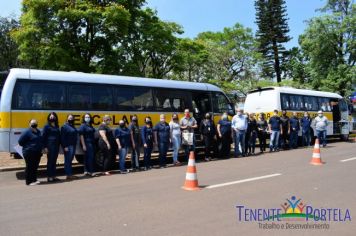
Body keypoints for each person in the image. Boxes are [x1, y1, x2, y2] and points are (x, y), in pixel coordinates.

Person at [18, 119, 43, 186]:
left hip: (37, 152)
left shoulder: (38, 131)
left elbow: (40, 140)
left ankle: (34, 179)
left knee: (35, 166)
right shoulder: (27, 132)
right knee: (29, 167)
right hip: (29, 152)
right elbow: (20, 142)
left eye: (35, 123)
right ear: (29, 124)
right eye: (32, 123)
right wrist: (28, 146)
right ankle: (28, 182)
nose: (34, 124)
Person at [42, 112, 61, 182]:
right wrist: (45, 147)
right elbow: (43, 137)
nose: (52, 118)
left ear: (55, 118)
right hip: (50, 146)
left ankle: (54, 176)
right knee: (50, 161)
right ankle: (49, 177)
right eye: (51, 117)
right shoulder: (46, 126)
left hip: (56, 146)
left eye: (53, 117)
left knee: (54, 161)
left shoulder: (56, 126)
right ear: (49, 118)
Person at [61, 114, 78, 180]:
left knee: (70, 160)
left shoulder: (72, 126)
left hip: (73, 145)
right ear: (67, 119)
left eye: (72, 118)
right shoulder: (64, 127)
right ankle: (68, 175)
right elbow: (62, 138)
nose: (71, 119)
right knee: (68, 161)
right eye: (69, 118)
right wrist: (65, 146)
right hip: (68, 146)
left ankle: (69, 174)